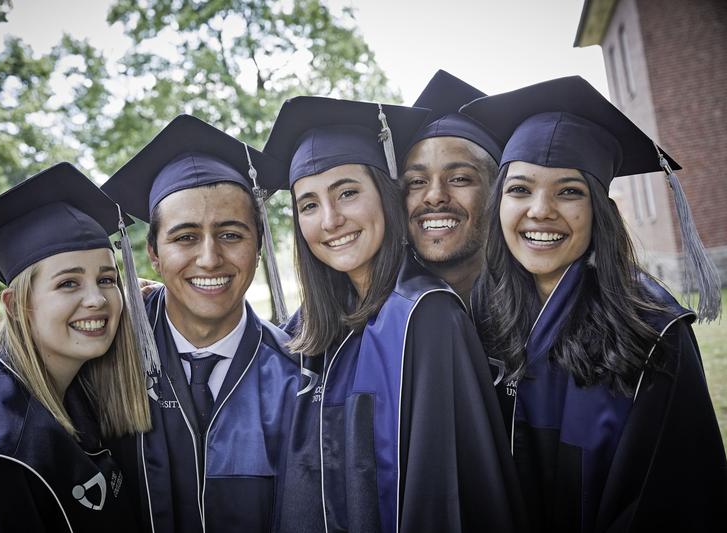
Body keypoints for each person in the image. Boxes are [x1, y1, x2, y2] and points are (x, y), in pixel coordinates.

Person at [464, 76, 727, 532]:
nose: (540, 210)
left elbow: (679, 499)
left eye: (569, 191)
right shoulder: (482, 310)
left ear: (600, 211)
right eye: (520, 190)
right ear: (498, 205)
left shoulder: (651, 331)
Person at [263, 96, 526, 533]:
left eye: (347, 192)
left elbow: (443, 496)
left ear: (386, 197)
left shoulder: (427, 316)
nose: (330, 220)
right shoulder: (312, 329)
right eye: (308, 204)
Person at [100, 114, 300, 533]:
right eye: (185, 237)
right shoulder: (107, 365)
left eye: (230, 235)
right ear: (153, 253)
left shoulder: (297, 381)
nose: (209, 259)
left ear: (259, 247)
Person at [0, 163, 152, 532]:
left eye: (107, 279)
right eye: (68, 284)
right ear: (15, 306)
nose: (97, 299)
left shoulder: (69, 391)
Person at [402, 69, 502, 308]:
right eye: (416, 181)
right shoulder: (375, 322)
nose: (435, 196)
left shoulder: (541, 312)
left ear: (497, 191)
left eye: (459, 179)